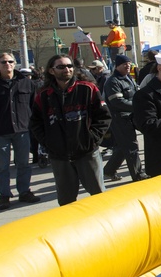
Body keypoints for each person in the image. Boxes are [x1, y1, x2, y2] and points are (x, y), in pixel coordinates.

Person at [29, 55, 111, 206]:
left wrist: (91, 139)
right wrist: (48, 142)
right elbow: (35, 122)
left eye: (69, 66)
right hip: (60, 156)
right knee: (66, 201)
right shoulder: (43, 95)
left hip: (87, 152)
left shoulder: (87, 88)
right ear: (51, 71)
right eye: (61, 67)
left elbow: (104, 117)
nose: (67, 69)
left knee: (99, 196)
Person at [0, 52, 42, 210]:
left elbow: (35, 108)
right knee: (2, 167)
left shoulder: (26, 83)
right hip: (0, 132)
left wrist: (37, 128)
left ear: (15, 63)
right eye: (3, 62)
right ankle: (4, 196)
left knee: (24, 164)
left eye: (10, 61)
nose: (7, 64)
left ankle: (24, 191)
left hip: (22, 130)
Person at [102, 55, 149, 182]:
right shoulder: (113, 81)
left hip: (130, 116)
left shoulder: (128, 78)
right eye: (124, 64)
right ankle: (138, 175)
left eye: (129, 64)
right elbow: (118, 102)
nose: (128, 66)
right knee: (131, 146)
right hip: (119, 119)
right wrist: (137, 106)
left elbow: (136, 93)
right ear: (117, 66)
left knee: (123, 147)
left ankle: (108, 171)